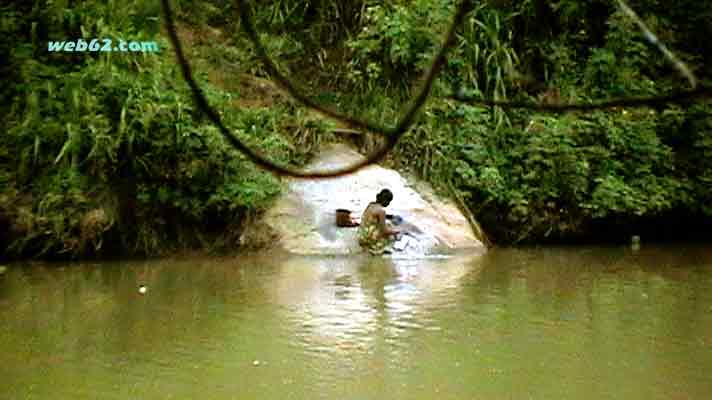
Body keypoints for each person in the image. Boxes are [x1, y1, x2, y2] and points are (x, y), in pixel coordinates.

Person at [358, 189, 400, 255]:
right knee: (390, 230)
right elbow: (385, 231)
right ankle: (375, 248)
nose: (389, 204)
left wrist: (388, 216)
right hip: (368, 238)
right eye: (389, 201)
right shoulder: (381, 211)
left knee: (385, 225)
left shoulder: (371, 204)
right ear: (385, 201)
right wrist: (395, 232)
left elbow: (370, 215)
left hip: (361, 234)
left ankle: (367, 246)